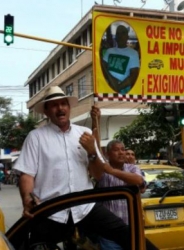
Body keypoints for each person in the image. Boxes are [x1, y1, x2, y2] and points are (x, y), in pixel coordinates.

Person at [13, 86, 131, 249]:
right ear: (46, 111)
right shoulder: (36, 137)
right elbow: (27, 174)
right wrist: (27, 198)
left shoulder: (85, 133)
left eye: (63, 104)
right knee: (36, 245)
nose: (60, 108)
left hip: (85, 207)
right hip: (51, 211)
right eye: (54, 105)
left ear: (69, 108)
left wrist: (92, 152)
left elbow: (97, 175)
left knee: (128, 235)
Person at [91, 107, 156, 250]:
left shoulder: (132, 168)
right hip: (109, 234)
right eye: (116, 150)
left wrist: (112, 171)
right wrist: (96, 122)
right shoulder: (102, 171)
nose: (121, 152)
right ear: (107, 154)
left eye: (123, 149)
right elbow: (94, 150)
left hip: (131, 230)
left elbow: (139, 181)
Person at [101, 24, 140, 94]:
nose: (120, 36)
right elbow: (102, 69)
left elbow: (134, 75)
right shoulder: (109, 51)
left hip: (124, 92)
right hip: (107, 89)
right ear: (115, 37)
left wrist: (118, 87)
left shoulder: (133, 53)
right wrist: (112, 82)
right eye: (118, 33)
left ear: (127, 37)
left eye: (123, 33)